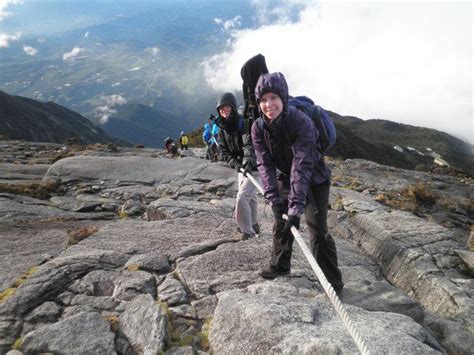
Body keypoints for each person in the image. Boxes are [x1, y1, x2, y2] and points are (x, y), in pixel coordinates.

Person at [251, 72, 344, 295]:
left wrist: (296, 207)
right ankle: (280, 266)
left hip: (316, 179)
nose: (268, 104)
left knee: (317, 231)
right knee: (280, 220)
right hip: (286, 176)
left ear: (283, 97)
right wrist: (274, 198)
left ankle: (333, 285)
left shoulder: (302, 122)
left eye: (274, 98)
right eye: (263, 100)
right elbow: (264, 164)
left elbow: (301, 167)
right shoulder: (258, 128)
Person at [214, 92, 260, 240]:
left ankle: (247, 231)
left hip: (255, 164)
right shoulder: (221, 128)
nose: (223, 109)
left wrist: (247, 162)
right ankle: (253, 224)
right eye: (220, 108)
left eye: (226, 106)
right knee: (250, 196)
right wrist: (236, 164)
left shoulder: (242, 122)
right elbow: (224, 151)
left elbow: (248, 144)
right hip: (241, 166)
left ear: (232, 107)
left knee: (242, 197)